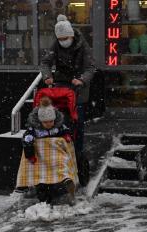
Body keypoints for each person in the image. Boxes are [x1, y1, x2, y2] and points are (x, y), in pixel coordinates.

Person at [40, 14, 95, 155]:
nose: (63, 41)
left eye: (65, 39)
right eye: (60, 39)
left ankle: (77, 153)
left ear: (71, 35)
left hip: (78, 88)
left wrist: (81, 79)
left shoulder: (83, 46)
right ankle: (61, 152)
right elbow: (46, 62)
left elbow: (90, 67)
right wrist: (47, 76)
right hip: (61, 87)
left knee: (78, 123)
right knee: (59, 121)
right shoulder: (56, 45)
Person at [18, 96, 76, 206]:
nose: (49, 124)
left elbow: (67, 131)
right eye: (46, 122)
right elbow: (27, 140)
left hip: (55, 154)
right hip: (41, 157)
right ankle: (43, 198)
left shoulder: (59, 127)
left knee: (62, 164)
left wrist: (68, 135)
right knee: (41, 177)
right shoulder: (34, 130)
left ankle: (67, 180)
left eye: (51, 121)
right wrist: (30, 154)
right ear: (40, 121)